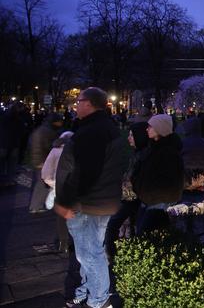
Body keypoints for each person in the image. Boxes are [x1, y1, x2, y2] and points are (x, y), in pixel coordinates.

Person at [54, 87, 128, 308]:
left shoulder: (93, 131)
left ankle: (99, 300)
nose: (75, 104)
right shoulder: (102, 127)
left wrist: (66, 202)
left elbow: (84, 172)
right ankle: (88, 290)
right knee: (88, 253)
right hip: (98, 202)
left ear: (90, 103)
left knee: (90, 255)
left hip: (88, 204)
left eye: (79, 100)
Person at [131, 114, 184, 235]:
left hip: (158, 203)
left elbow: (170, 181)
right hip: (147, 200)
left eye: (150, 126)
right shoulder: (152, 148)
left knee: (145, 235)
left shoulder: (169, 153)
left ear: (160, 129)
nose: (146, 129)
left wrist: (149, 193)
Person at [104, 123, 148, 262]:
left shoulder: (142, 155)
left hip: (133, 198)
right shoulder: (136, 153)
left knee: (113, 224)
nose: (129, 138)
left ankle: (112, 254)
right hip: (129, 197)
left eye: (131, 135)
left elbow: (136, 178)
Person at [40, 130, 74, 253]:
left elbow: (45, 174)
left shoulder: (55, 151)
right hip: (75, 189)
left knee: (61, 216)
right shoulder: (78, 151)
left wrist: (55, 184)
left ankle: (63, 243)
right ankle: (75, 241)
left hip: (60, 190)